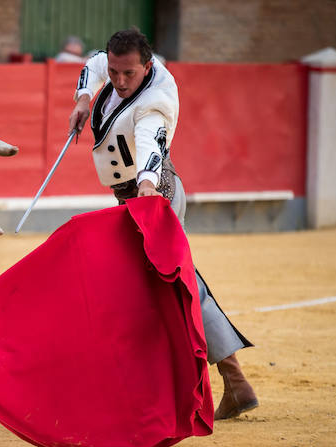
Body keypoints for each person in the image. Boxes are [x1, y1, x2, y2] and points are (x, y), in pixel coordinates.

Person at [68, 27, 259, 420]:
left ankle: (231, 380)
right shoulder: (117, 62)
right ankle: (233, 381)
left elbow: (151, 147)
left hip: (156, 198)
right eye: (116, 72)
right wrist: (84, 99)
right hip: (132, 199)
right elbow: (93, 65)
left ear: (147, 66)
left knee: (179, 288)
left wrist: (148, 191)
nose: (119, 81)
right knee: (172, 287)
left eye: (129, 75)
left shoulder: (155, 102)